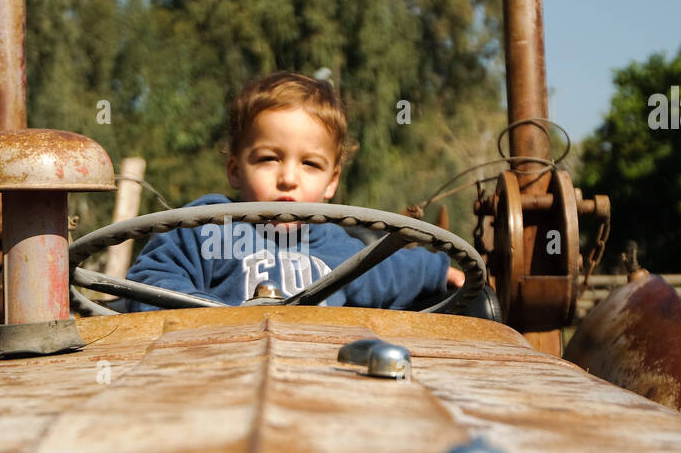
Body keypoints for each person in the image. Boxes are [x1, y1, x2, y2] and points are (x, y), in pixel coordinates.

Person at [124, 71, 465, 310]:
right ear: (234, 170)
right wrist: (214, 317)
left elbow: (392, 270)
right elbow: (150, 281)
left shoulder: (342, 249)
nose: (288, 178)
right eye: (269, 159)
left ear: (332, 182)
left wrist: (440, 272)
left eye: (310, 164)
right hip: (223, 374)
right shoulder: (207, 228)